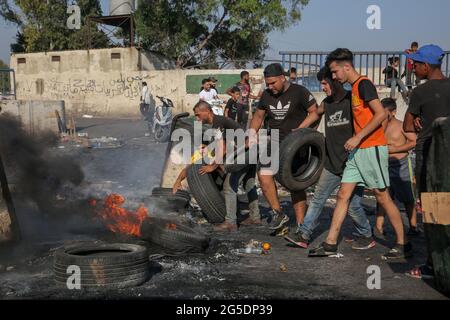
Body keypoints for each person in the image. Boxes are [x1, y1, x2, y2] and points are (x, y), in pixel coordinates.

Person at [308, 48, 411, 260]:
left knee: (382, 197)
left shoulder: (363, 84)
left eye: (335, 72)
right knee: (343, 195)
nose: (334, 77)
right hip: (357, 152)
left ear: (347, 66)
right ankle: (329, 244)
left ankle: (403, 243)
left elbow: (381, 114)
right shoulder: (354, 88)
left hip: (371, 148)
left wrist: (357, 137)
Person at [284, 66, 374, 250]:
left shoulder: (351, 100)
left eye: (325, 83)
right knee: (318, 198)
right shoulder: (327, 102)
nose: (323, 87)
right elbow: (315, 114)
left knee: (353, 206)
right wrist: (299, 131)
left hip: (352, 162)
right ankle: (304, 234)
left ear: (334, 81)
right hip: (332, 162)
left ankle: (366, 234)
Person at [248, 63, 320, 234]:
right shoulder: (266, 95)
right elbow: (258, 116)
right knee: (264, 175)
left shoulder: (299, 92)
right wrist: (251, 133)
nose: (270, 87)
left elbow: (314, 112)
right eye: (267, 84)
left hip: (296, 144)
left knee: (295, 184)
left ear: (283, 78)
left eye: (273, 83)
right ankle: (278, 214)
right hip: (274, 140)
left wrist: (301, 130)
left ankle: (302, 226)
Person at [175, 101, 260, 231]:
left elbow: (223, 148)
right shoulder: (219, 124)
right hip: (251, 151)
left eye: (198, 115)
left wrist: (213, 167)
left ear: (207, 112)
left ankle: (231, 223)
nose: (197, 118)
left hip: (246, 152)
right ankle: (255, 217)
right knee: (249, 184)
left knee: (229, 186)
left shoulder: (217, 123)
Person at [403, 44, 450, 279]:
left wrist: (419, 122)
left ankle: (434, 264)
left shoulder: (420, 92)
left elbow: (407, 126)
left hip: (431, 159)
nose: (413, 67)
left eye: (415, 64)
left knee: (434, 213)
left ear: (426, 66)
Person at [376, 98, 418, 239]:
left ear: (393, 112)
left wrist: (396, 148)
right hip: (384, 165)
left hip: (402, 166)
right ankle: (379, 226)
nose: (382, 115)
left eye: (385, 112)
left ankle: (413, 227)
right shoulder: (378, 127)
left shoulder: (401, 126)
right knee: (383, 197)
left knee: (408, 198)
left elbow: (414, 141)